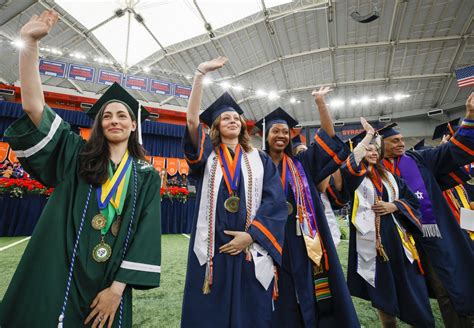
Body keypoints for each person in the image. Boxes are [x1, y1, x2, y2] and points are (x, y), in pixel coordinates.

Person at [0, 10, 161, 328]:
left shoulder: (146, 176)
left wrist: (117, 290)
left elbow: (145, 234)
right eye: (107, 116)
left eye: (122, 116)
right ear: (100, 125)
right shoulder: (76, 154)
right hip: (61, 268)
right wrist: (30, 45)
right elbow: (34, 107)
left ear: (133, 126)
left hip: (111, 278)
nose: (114, 119)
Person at [180, 57, 287, 328]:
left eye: (236, 118)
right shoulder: (207, 156)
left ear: (242, 125)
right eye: (225, 118)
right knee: (210, 313)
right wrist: (200, 75)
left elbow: (275, 201)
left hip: (249, 247)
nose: (232, 121)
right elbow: (192, 122)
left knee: (249, 313)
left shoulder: (259, 159)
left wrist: (250, 236)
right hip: (212, 250)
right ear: (215, 127)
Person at [258, 91, 359, 327]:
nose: (281, 136)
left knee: (307, 290)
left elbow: (329, 136)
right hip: (270, 239)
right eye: (276, 131)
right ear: (267, 136)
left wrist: (320, 103)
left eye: (285, 132)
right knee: (275, 291)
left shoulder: (302, 164)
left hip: (302, 239)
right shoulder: (255, 165)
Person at [379, 93, 474, 327]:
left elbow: (454, 151)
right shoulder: (373, 170)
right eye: (395, 141)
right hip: (398, 241)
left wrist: (470, 116)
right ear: (380, 145)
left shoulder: (419, 159)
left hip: (430, 234)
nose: (401, 143)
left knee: (446, 284)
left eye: (402, 139)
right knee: (404, 293)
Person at [339, 118, 434, 327]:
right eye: (368, 149)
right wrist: (367, 137)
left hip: (399, 242)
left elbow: (412, 202)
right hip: (373, 246)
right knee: (383, 293)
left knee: (411, 287)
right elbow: (349, 167)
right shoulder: (355, 178)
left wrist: (395, 205)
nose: (372, 153)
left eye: (375, 150)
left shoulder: (391, 178)